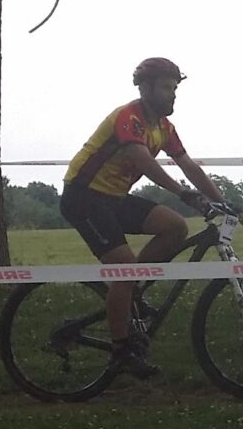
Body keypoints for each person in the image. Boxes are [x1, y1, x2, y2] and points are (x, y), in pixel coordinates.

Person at [60, 56, 227, 378]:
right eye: (167, 87)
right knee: (122, 271)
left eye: (175, 88)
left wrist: (223, 201)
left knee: (174, 227)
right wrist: (185, 194)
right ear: (145, 87)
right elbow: (145, 162)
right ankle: (122, 349)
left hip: (114, 198)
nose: (173, 94)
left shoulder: (164, 128)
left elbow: (188, 164)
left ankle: (131, 290)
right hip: (84, 197)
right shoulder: (129, 117)